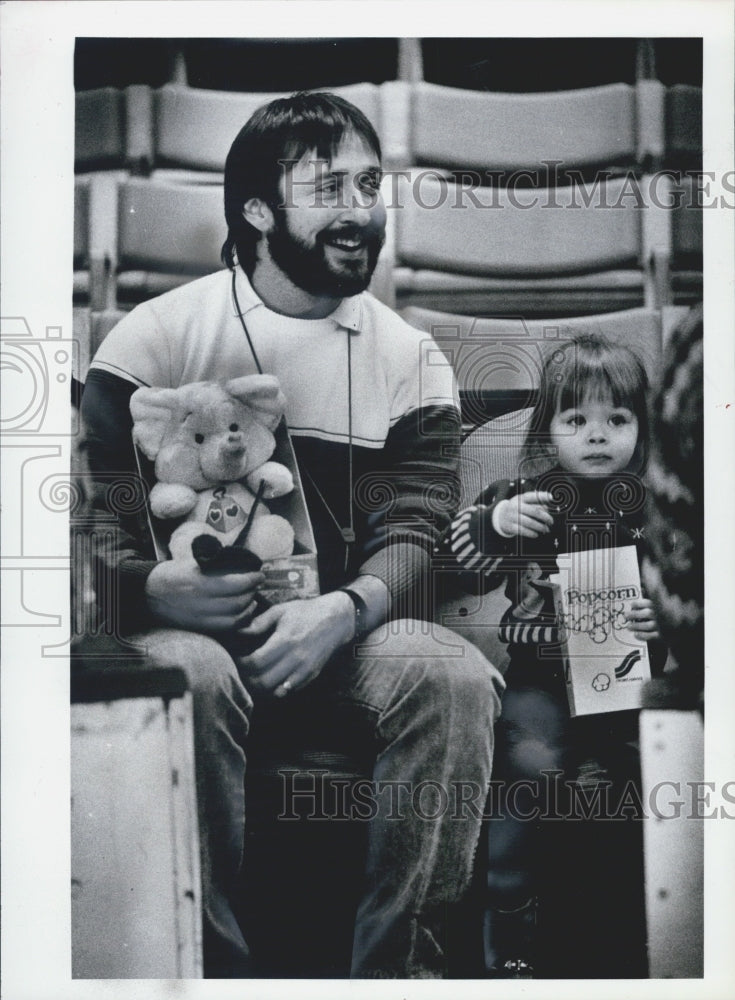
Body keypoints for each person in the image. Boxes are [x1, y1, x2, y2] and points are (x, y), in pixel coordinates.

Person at [80, 91, 504, 979]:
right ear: (257, 210)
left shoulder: (408, 356)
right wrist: (151, 588)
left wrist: (343, 613)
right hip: (187, 629)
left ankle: (399, 973)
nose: (359, 210)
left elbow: (415, 526)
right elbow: (105, 520)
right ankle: (205, 969)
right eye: (327, 188)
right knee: (182, 671)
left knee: (452, 674)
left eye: (368, 183)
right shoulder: (152, 339)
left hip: (342, 634)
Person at [436, 332, 666, 976]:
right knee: (530, 770)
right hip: (538, 680)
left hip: (625, 685)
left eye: (616, 419)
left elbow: (686, 597)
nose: (598, 435)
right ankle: (508, 930)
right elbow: (463, 566)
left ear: (640, 430)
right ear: (548, 432)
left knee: (626, 788)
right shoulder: (525, 500)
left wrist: (659, 620)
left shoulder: (652, 508)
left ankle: (623, 940)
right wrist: (494, 525)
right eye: (577, 419)